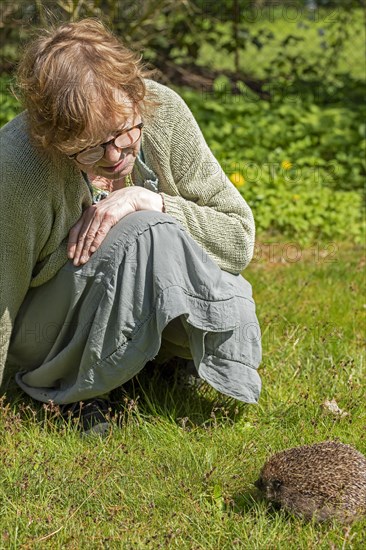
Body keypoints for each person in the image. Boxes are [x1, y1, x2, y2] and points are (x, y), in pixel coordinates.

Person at [0, 19, 261, 433]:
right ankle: (76, 391)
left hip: (115, 307)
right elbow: (2, 293)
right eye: (89, 146)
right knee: (146, 233)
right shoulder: (17, 167)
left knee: (159, 227)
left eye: (124, 130)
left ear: (136, 95)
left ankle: (164, 360)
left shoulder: (165, 111)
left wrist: (149, 198)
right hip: (46, 331)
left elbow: (237, 240)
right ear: (52, 137)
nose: (116, 154)